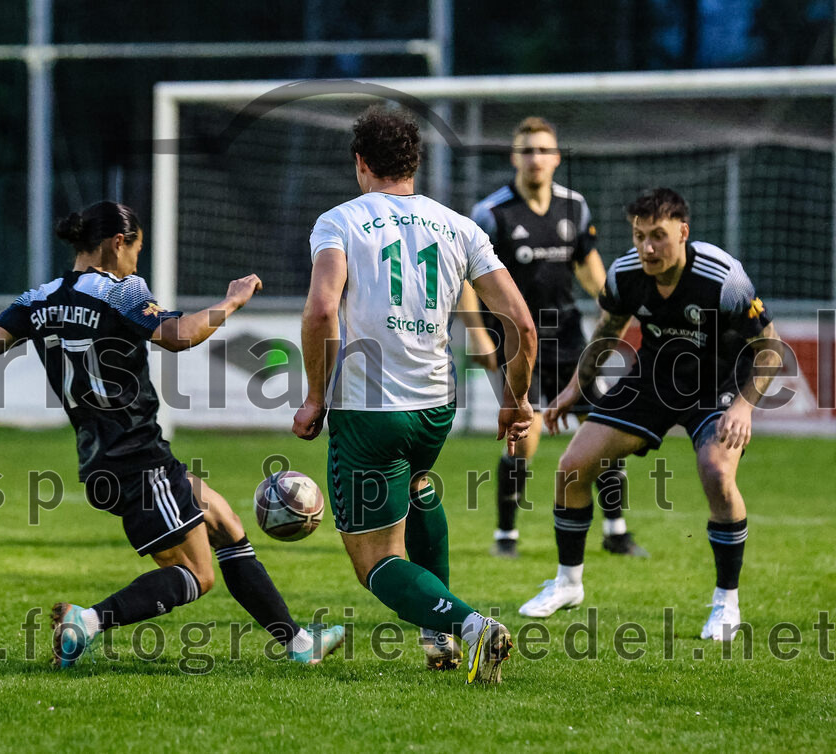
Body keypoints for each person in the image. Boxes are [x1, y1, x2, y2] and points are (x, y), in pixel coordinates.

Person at [0, 201, 344, 667]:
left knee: (225, 523)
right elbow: (178, 334)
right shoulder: (119, 291)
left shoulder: (38, 300)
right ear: (118, 243)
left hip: (101, 456)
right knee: (196, 576)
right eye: (136, 252)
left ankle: (299, 643)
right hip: (137, 455)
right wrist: (232, 301)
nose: (136, 264)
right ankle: (89, 621)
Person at [292, 105, 537, 683]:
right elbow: (523, 325)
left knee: (374, 559)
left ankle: (471, 626)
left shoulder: (339, 222)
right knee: (420, 485)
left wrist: (313, 395)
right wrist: (516, 399)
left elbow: (323, 308)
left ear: (361, 163)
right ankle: (437, 635)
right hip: (435, 409)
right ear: (414, 165)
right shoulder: (460, 227)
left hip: (369, 413)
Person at [518, 188, 781, 641]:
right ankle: (567, 582)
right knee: (571, 468)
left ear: (683, 232)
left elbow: (771, 350)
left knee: (717, 472)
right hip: (655, 378)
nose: (648, 248)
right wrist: (571, 390)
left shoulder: (724, 279)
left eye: (658, 236)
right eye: (640, 236)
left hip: (715, 385)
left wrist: (743, 407)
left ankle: (726, 603)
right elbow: (608, 331)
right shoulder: (625, 273)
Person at [461, 116, 647, 559]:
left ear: (556, 157)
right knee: (525, 438)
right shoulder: (491, 213)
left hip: (567, 335)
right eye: (527, 150)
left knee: (602, 430)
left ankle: (617, 531)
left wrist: (610, 303)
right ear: (514, 157)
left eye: (543, 150)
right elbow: (465, 280)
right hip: (515, 338)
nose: (535, 158)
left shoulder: (574, 206)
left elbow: (587, 262)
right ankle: (506, 537)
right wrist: (477, 336)